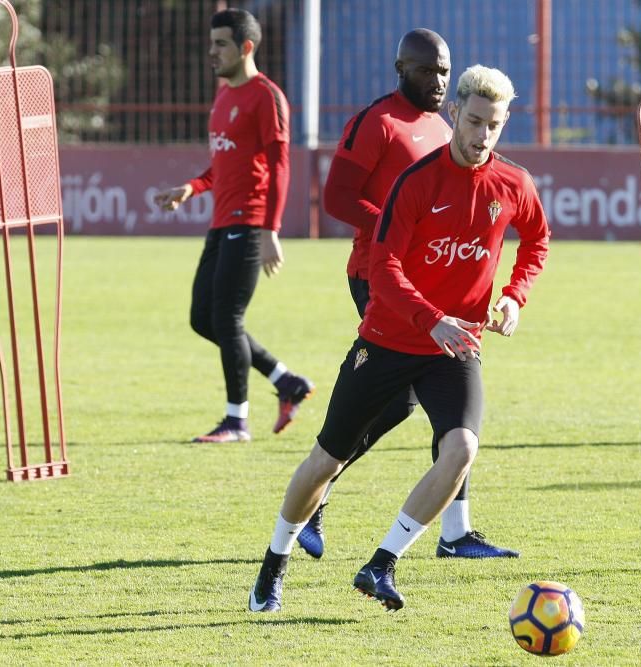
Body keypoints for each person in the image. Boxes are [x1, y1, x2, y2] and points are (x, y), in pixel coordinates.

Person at [249, 64, 550, 612]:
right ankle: (274, 563)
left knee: (461, 448)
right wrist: (430, 317)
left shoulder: (514, 184)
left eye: (496, 125)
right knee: (325, 460)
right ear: (454, 114)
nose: (483, 135)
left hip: (452, 349)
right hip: (388, 339)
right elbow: (383, 267)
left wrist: (513, 296)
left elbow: (537, 241)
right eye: (475, 121)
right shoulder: (416, 183)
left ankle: (381, 564)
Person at [296, 29, 517, 561]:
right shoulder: (378, 122)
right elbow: (337, 196)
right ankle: (318, 491)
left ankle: (455, 531)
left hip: (433, 281)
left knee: (449, 396)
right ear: (400, 69)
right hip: (381, 276)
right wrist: (396, 230)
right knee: (396, 400)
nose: (436, 81)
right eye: (425, 71)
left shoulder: (447, 124)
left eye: (443, 71)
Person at [154, 8, 312, 443]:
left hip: (251, 220)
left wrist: (270, 230)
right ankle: (285, 381)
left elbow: (280, 167)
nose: (212, 51)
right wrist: (190, 187)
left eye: (221, 43)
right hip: (221, 222)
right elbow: (222, 165)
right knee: (203, 318)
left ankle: (236, 421)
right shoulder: (223, 97)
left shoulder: (267, 97)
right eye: (211, 43)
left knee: (227, 317)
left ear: (246, 46)